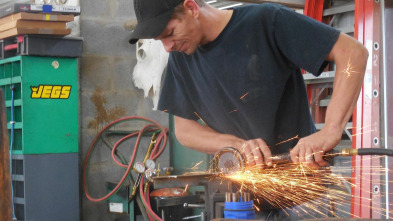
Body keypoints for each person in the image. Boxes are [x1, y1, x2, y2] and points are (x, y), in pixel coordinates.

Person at [129, 0, 367, 168]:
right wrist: (236, 145)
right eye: (161, 41)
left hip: (302, 188)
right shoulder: (181, 59)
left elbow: (352, 53)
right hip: (238, 198)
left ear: (191, 8)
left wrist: (331, 130)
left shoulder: (266, 22)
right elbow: (184, 131)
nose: (167, 47)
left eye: (170, 32)